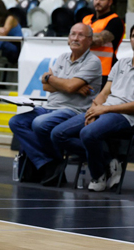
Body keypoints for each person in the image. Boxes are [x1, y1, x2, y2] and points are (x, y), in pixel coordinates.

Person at [53, 23, 134, 192]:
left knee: (88, 133)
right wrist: (92, 110)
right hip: (104, 111)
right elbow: (104, 93)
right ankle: (108, 160)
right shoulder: (121, 64)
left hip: (127, 117)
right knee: (58, 134)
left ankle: (98, 176)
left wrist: (103, 110)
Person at [8, 23, 102, 186]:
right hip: (49, 108)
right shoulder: (62, 58)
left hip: (73, 111)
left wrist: (52, 79)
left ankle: (49, 162)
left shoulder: (93, 62)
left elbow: (63, 85)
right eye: (73, 34)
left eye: (81, 35)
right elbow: (47, 86)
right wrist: (69, 86)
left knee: (39, 123)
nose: (75, 38)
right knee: (16, 122)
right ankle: (48, 162)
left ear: (89, 40)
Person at [81, 0, 125, 81]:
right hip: (84, 67)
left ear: (110, 2)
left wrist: (79, 38)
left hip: (104, 70)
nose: (98, 2)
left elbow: (98, 41)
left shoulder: (115, 21)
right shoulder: (86, 19)